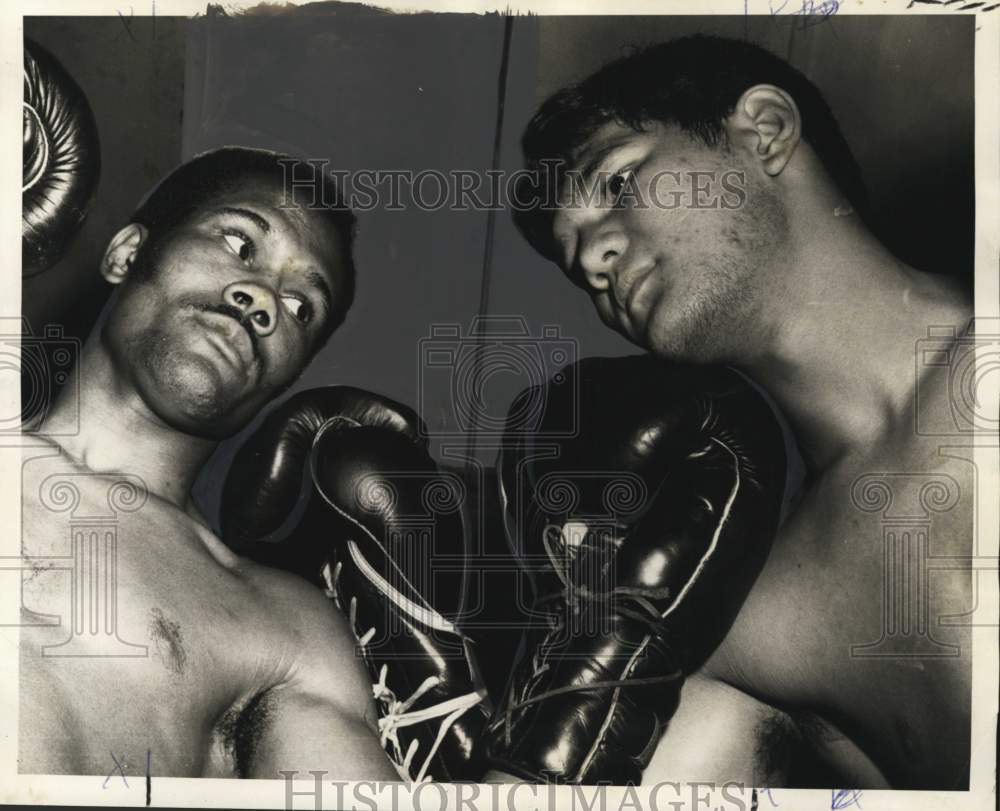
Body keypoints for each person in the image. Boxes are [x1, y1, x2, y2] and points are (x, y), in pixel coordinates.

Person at [491, 35, 973, 789]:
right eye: (571, 252)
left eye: (615, 183)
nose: (589, 260)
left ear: (765, 132)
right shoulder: (750, 627)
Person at [18, 147, 487, 780]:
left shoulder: (285, 629)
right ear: (127, 253)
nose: (262, 297)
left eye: (301, 308)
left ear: (290, 374)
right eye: (240, 245)